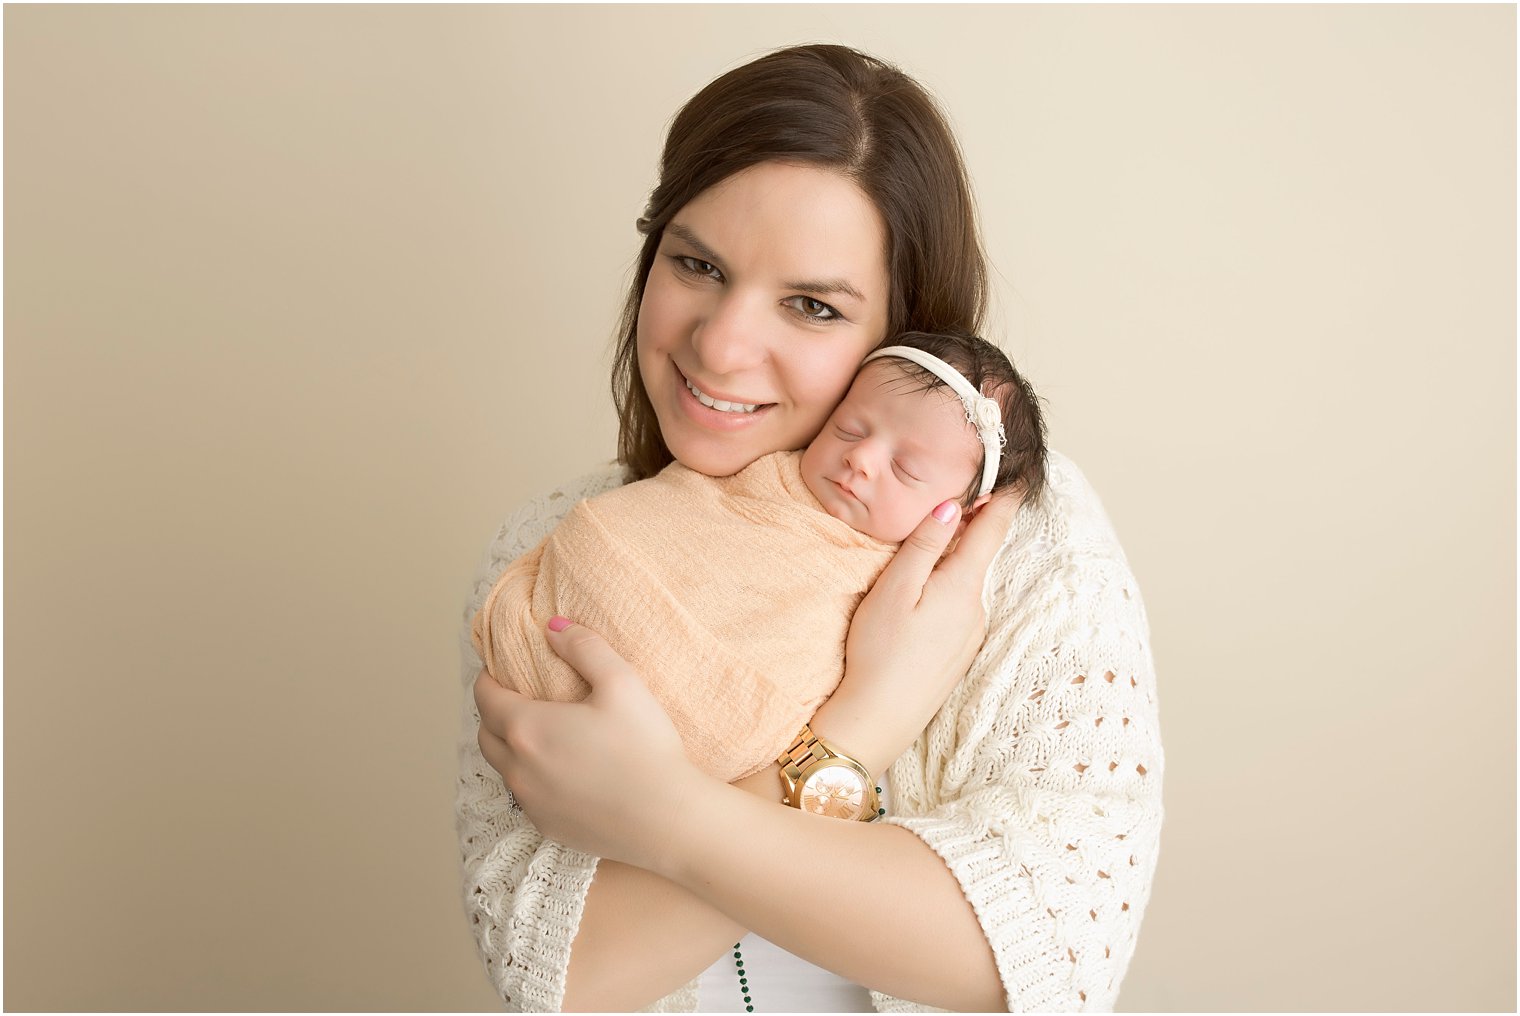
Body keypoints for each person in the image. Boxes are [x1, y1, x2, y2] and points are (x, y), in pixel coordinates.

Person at [456, 43, 1163, 1013]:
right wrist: (859, 725)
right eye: (695, 263)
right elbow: (565, 976)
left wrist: (663, 816)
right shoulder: (560, 553)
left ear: (901, 338)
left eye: (810, 303)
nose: (720, 342)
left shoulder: (1025, 554)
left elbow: (1043, 955)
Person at [470, 331, 1049, 785]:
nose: (862, 460)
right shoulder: (766, 472)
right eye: (848, 428)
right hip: (592, 600)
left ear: (964, 515)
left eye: (906, 469)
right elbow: (679, 518)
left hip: (701, 716)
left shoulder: (921, 590)